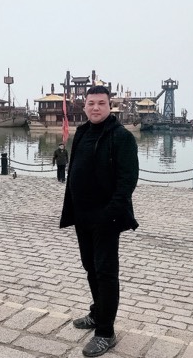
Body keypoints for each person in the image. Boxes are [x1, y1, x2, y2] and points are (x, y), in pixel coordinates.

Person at [60, 85, 139, 357]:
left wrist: (109, 215)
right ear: (84, 106)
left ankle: (106, 332)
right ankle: (97, 313)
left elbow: (127, 182)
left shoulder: (122, 137)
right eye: (91, 103)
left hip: (107, 218)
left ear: (109, 105)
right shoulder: (82, 132)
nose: (95, 107)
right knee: (90, 268)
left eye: (101, 103)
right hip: (82, 216)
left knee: (105, 273)